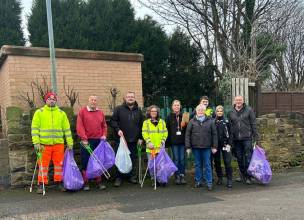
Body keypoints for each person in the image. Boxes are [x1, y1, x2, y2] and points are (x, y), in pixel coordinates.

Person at [31, 92, 73, 194]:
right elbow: (35, 129)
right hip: (43, 144)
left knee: (59, 165)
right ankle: (41, 184)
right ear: (46, 100)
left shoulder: (61, 113)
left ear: (56, 101)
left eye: (54, 99)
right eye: (49, 99)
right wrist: (36, 143)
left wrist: (70, 142)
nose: (52, 100)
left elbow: (67, 130)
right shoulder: (39, 112)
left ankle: (59, 182)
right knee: (43, 165)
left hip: (58, 144)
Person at [110, 91, 144, 187]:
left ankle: (132, 177)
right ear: (125, 98)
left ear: (134, 98)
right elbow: (112, 121)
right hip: (121, 140)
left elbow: (142, 125)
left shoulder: (139, 111)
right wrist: (118, 130)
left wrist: (141, 138)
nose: (130, 98)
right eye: (128, 96)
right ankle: (118, 178)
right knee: (120, 159)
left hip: (134, 140)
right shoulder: (118, 109)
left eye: (132, 97)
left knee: (133, 158)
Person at [76, 95, 107, 191]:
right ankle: (86, 182)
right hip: (86, 141)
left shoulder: (100, 112)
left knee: (98, 161)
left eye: (95, 100)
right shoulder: (82, 112)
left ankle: (99, 181)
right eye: (92, 100)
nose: (93, 102)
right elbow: (79, 126)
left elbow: (104, 126)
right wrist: (84, 139)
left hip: (98, 140)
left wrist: (104, 135)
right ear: (88, 101)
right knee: (85, 161)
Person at [185, 104, 218, 191]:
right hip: (196, 147)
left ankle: (209, 182)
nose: (200, 111)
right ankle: (198, 181)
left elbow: (214, 134)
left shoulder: (210, 121)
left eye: (202, 110)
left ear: (205, 111)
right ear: (196, 111)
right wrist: (188, 147)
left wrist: (214, 146)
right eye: (199, 110)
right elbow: (187, 135)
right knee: (198, 165)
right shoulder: (192, 121)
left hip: (207, 147)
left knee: (207, 165)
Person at [228, 95, 258, 185]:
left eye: (240, 100)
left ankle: (249, 176)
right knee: (239, 158)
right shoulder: (230, 112)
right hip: (236, 139)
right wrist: (230, 140)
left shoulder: (249, 110)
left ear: (243, 101)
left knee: (248, 158)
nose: (238, 101)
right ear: (234, 101)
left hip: (247, 138)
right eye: (237, 100)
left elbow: (253, 123)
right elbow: (229, 126)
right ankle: (243, 175)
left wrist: (256, 137)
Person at [142, 105, 168, 186]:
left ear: (157, 113)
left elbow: (165, 132)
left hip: (160, 147)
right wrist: (148, 142)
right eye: (152, 111)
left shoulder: (162, 122)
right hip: (151, 147)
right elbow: (144, 133)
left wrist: (163, 141)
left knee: (160, 164)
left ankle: (161, 178)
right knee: (152, 164)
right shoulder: (146, 123)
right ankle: (154, 179)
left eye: (155, 111)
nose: (154, 113)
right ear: (149, 112)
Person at [166, 100, 188, 185]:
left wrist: (185, 124)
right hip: (174, 142)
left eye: (178, 105)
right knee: (176, 159)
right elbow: (167, 130)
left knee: (182, 159)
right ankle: (177, 176)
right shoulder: (169, 117)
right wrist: (167, 142)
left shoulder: (184, 116)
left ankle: (182, 175)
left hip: (182, 142)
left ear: (180, 106)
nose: (176, 107)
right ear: (172, 107)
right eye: (175, 105)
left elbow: (187, 129)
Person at [213, 105, 233, 188]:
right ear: (216, 112)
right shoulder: (213, 122)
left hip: (226, 144)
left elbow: (231, 133)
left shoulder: (227, 121)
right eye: (218, 111)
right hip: (216, 145)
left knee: (227, 162)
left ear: (223, 112)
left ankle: (229, 179)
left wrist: (229, 144)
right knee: (217, 162)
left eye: (221, 111)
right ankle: (220, 177)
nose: (219, 112)